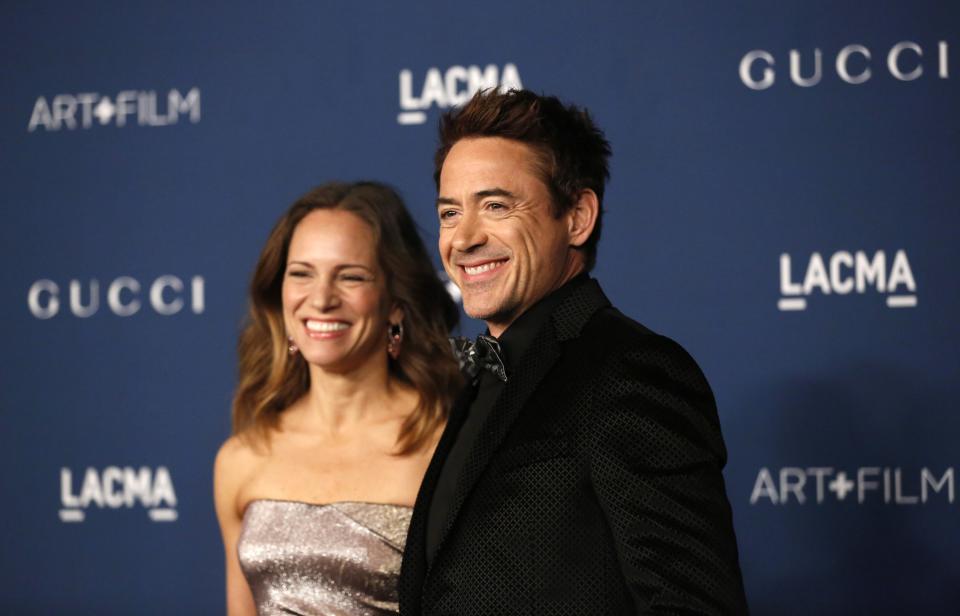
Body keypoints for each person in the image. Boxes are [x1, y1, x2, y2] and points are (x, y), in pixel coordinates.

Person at [399, 90, 749, 615]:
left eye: (496, 205)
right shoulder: (476, 380)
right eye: (450, 213)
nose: (464, 238)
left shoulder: (630, 371)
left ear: (578, 217)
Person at [214, 181, 462, 615]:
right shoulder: (242, 457)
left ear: (395, 305)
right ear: (280, 295)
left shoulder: (447, 447)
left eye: (350, 276)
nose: (322, 298)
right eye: (302, 273)